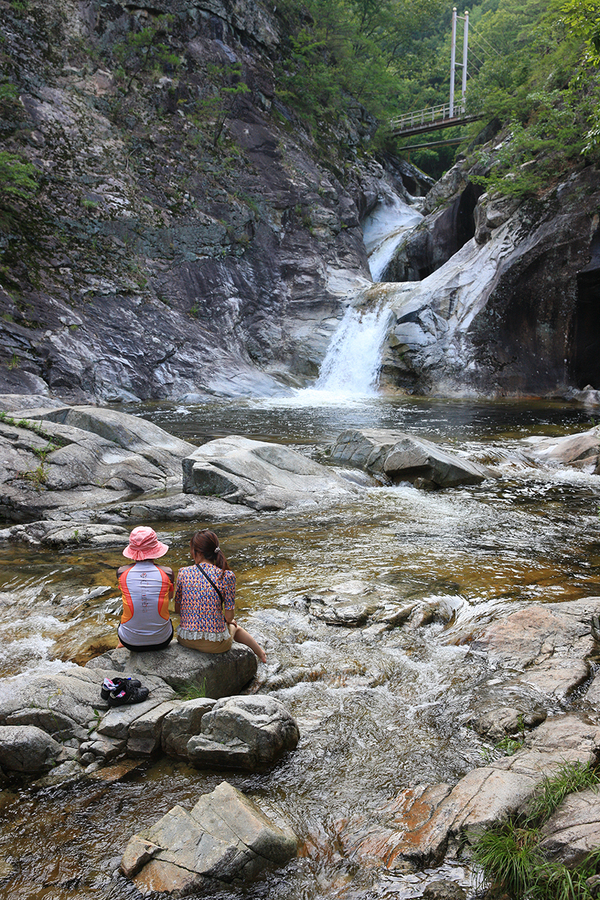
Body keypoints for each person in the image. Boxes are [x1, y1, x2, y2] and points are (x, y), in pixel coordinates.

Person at [174, 529, 266, 662]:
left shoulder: (183, 572)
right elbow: (229, 617)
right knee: (234, 626)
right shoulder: (226, 576)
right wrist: (227, 621)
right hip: (215, 645)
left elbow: (178, 610)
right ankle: (261, 653)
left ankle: (261, 653)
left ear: (197, 552)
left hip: (185, 640)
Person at [116, 526, 174, 652]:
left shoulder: (121, 572)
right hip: (162, 640)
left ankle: (121, 643)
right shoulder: (168, 573)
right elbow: (169, 598)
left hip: (130, 642)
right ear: (155, 549)